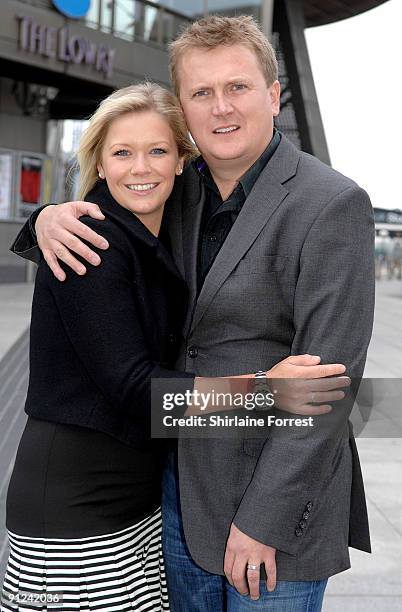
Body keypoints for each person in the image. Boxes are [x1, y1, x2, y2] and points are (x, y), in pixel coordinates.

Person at [9, 15, 375, 612]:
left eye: (237, 87)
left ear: (274, 95)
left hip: (274, 519)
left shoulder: (331, 204)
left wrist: (264, 521)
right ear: (185, 108)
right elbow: (109, 202)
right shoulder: (179, 191)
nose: (221, 107)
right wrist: (44, 219)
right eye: (201, 92)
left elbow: (327, 389)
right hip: (174, 506)